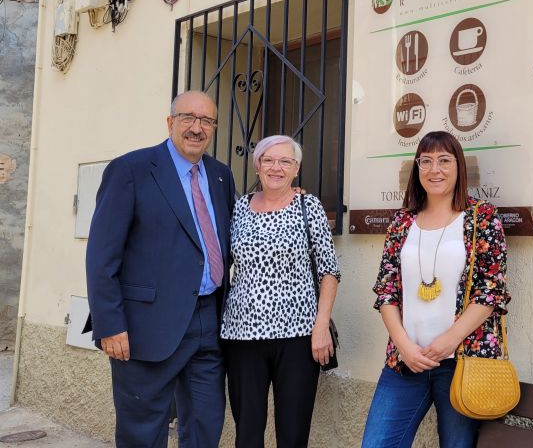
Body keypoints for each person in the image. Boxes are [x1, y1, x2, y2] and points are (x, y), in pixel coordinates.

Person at [85, 90, 237, 447]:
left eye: (206, 121)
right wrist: (110, 324)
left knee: (205, 425)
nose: (197, 128)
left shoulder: (221, 176)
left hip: (208, 321)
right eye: (188, 118)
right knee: (143, 433)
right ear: (170, 123)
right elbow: (101, 255)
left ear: (214, 128)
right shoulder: (130, 170)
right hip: (145, 327)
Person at [362, 131, 510, 448]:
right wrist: (403, 345)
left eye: (444, 160)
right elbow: (386, 290)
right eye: (426, 161)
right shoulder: (402, 221)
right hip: (405, 361)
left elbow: (491, 290)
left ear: (458, 167)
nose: (435, 170)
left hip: (461, 361)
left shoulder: (481, 217)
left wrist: (449, 340)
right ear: (417, 168)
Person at [220, 135, 340, 448]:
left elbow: (329, 270)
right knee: (247, 433)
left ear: (296, 168)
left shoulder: (308, 206)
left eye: (285, 161)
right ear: (257, 165)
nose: (277, 167)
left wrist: (321, 327)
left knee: (293, 432)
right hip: (242, 335)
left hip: (299, 336)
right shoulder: (238, 209)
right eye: (269, 160)